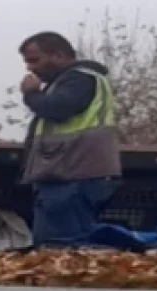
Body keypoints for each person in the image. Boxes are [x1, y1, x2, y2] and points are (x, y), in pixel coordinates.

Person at [17, 31, 123, 248]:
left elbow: (58, 109)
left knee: (62, 246)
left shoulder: (80, 78)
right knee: (58, 243)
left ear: (58, 55)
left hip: (73, 174)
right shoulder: (69, 81)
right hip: (69, 173)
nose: (30, 68)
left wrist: (31, 94)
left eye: (34, 60)